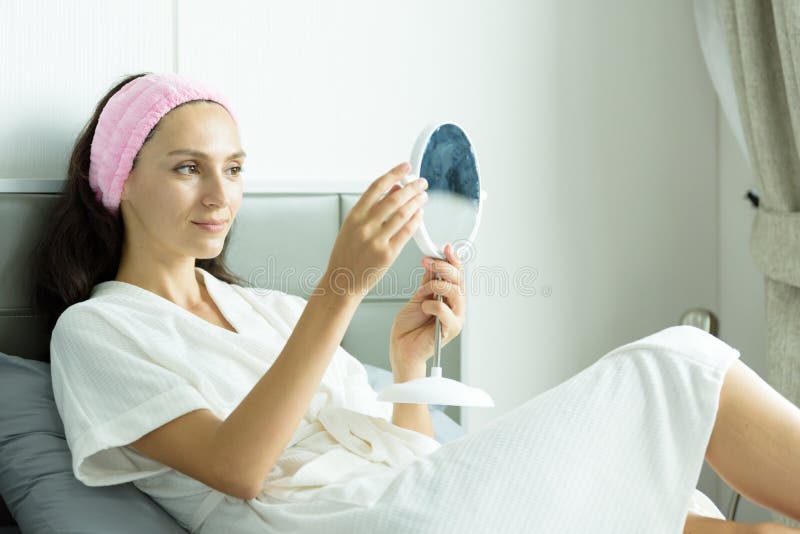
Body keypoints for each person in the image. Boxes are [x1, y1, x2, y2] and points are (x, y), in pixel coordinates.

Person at [32, 72, 800, 534]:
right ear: (118, 180)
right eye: (187, 168)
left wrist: (407, 365)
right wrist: (340, 290)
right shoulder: (96, 331)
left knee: (708, 523)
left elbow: (411, 456)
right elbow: (236, 467)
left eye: (234, 168)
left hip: (411, 498)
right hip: (344, 526)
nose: (220, 195)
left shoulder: (264, 310)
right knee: (681, 360)